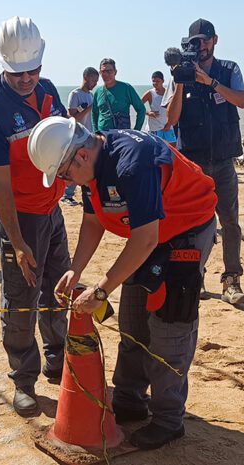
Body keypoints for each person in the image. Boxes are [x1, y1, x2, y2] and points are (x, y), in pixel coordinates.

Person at [27, 117, 218, 450]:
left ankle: (168, 420)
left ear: (81, 156)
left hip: (185, 231)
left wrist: (101, 289)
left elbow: (145, 239)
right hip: (151, 235)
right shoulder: (93, 168)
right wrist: (75, 268)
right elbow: (92, 220)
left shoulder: (132, 164)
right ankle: (130, 399)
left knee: (168, 325)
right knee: (132, 320)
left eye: (64, 175)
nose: (66, 182)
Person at [0, 16, 70, 417]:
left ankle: (57, 354)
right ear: (2, 64)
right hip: (18, 215)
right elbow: (1, 189)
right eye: (17, 72)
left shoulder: (46, 91)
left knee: (57, 283)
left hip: (50, 208)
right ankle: (23, 379)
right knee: (22, 296)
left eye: (33, 70)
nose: (27, 79)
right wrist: (18, 242)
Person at [162, 18, 244, 305]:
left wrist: (209, 82)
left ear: (214, 41)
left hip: (223, 161)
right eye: (193, 42)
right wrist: (179, 82)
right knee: (193, 224)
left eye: (204, 40)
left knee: (230, 222)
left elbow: (241, 100)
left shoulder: (228, 70)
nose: (199, 46)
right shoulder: (179, 74)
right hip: (193, 164)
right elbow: (171, 121)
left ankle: (231, 281)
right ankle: (194, 277)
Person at [62, 66, 98, 205]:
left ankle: (86, 193)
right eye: (93, 80)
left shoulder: (91, 95)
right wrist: (89, 108)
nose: (95, 83)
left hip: (90, 134)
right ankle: (67, 195)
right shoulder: (75, 94)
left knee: (87, 164)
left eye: (96, 81)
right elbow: (73, 118)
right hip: (77, 136)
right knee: (74, 164)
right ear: (85, 77)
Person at [91, 58, 146, 132]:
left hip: (122, 136)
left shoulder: (126, 88)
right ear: (100, 73)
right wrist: (96, 132)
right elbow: (94, 114)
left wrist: (136, 131)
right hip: (103, 137)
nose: (106, 74)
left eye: (109, 71)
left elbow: (141, 109)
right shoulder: (98, 92)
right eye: (103, 71)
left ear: (115, 72)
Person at [142, 71, 175, 143]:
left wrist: (169, 124)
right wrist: (148, 113)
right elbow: (138, 107)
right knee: (155, 150)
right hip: (154, 127)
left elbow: (174, 109)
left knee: (173, 148)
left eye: (157, 81)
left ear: (163, 81)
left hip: (168, 125)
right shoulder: (150, 93)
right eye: (153, 81)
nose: (155, 83)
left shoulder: (169, 93)